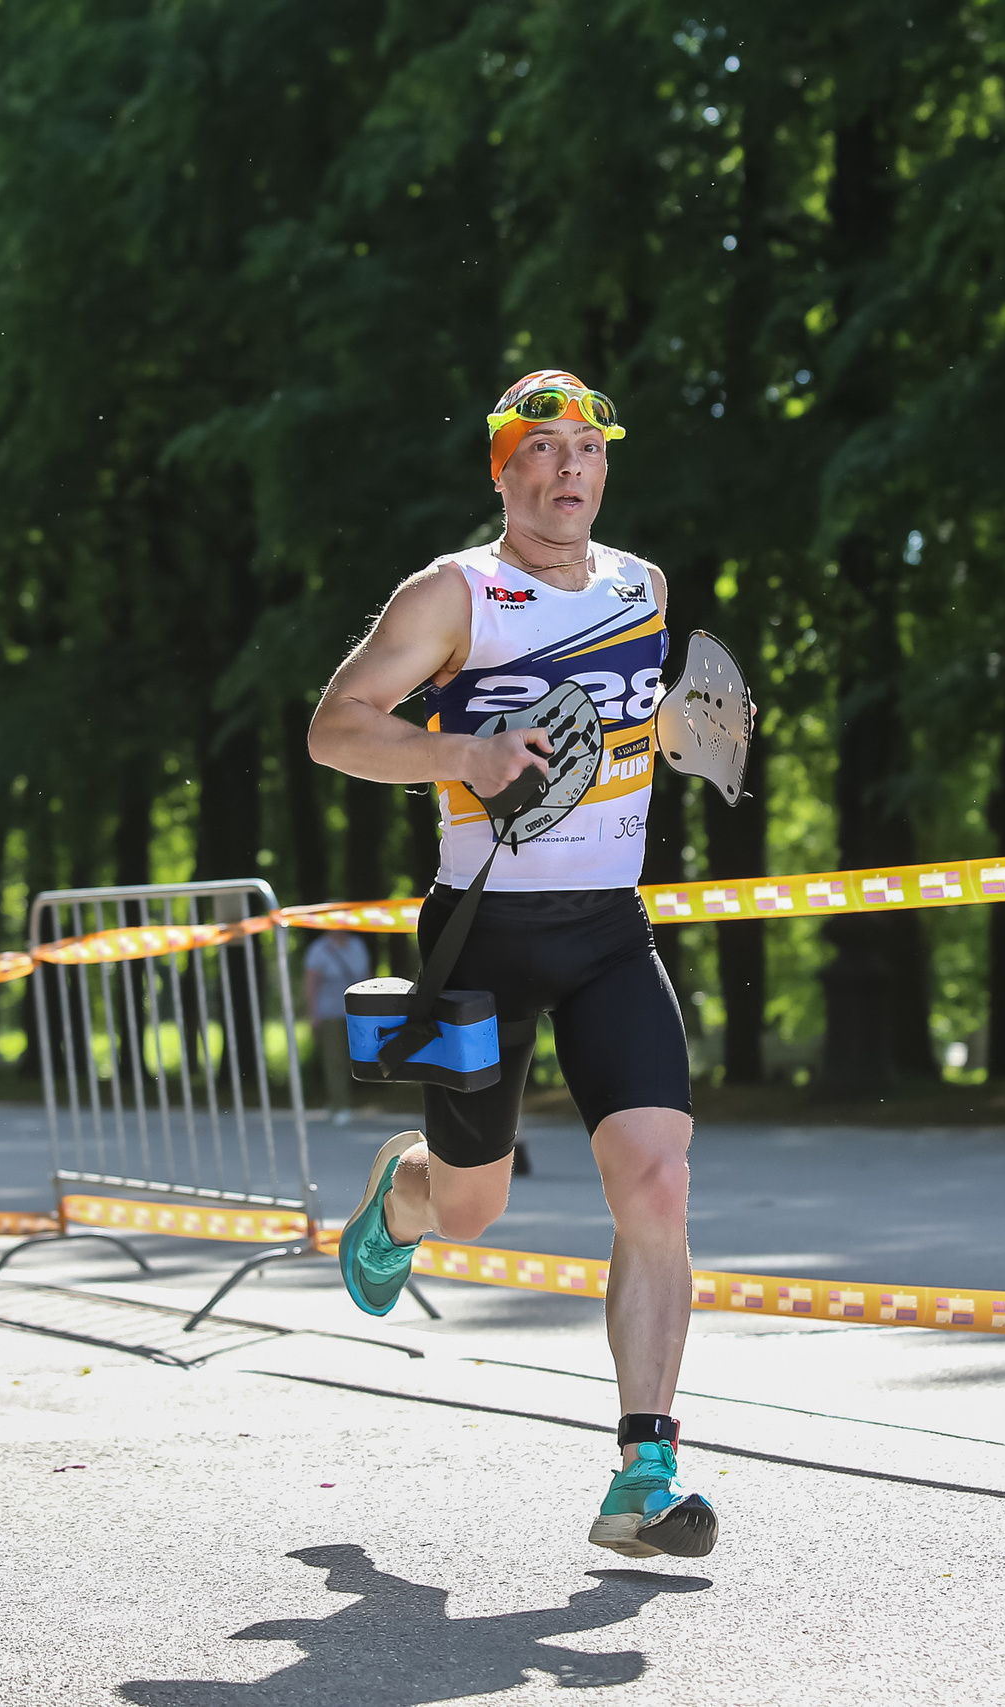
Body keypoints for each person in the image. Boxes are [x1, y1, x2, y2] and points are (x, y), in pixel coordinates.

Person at [306, 370, 712, 1560]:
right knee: (472, 1210)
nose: (568, 468)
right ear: (503, 470)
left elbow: (627, 724)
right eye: (541, 449)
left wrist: (684, 732)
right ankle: (405, 1188)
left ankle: (644, 1468)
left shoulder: (642, 585)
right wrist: (467, 752)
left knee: (658, 1186)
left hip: (607, 934)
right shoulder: (453, 593)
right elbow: (336, 726)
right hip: (483, 936)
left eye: (586, 447)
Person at [302, 928, 375, 1125]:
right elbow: (311, 984)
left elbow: (367, 978)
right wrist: (313, 1014)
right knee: (334, 1060)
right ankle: (340, 1104)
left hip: (356, 1014)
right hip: (330, 1013)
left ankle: (340, 1101)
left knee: (356, 1059)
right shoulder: (318, 949)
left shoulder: (357, 946)